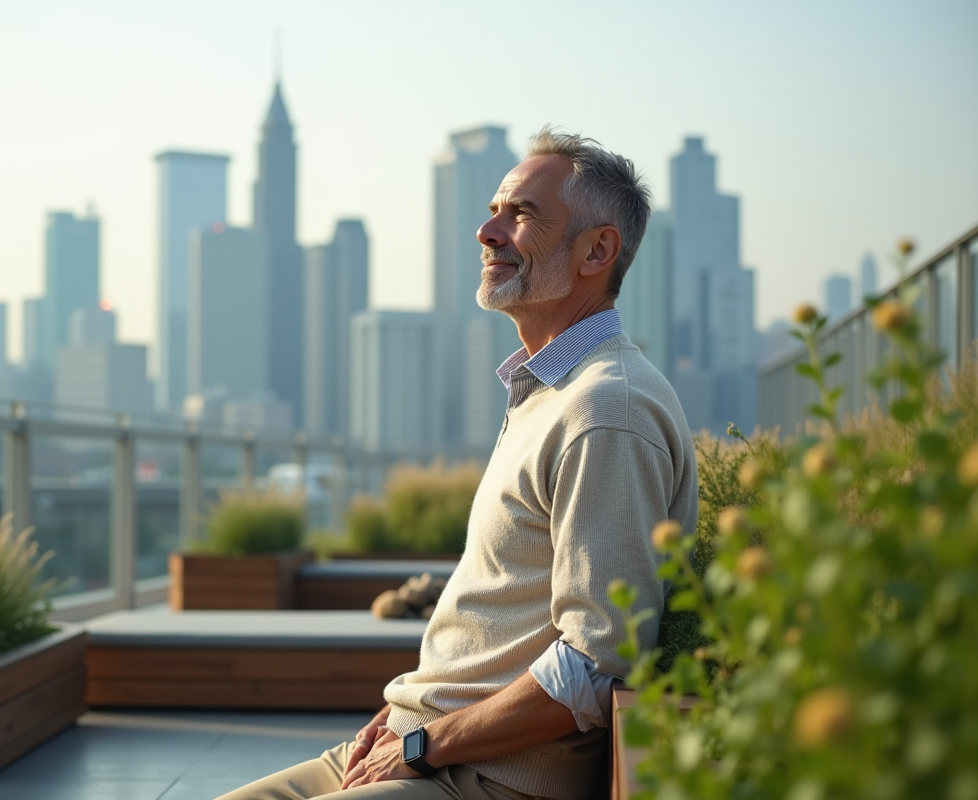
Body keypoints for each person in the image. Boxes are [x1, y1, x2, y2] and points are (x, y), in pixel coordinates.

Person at [216, 128, 698, 800]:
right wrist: (407, 717)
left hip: (484, 778)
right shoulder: (551, 392)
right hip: (421, 745)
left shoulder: (605, 410)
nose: (487, 230)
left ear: (597, 250)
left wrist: (424, 744)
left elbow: (594, 662)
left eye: (521, 214)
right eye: (495, 209)